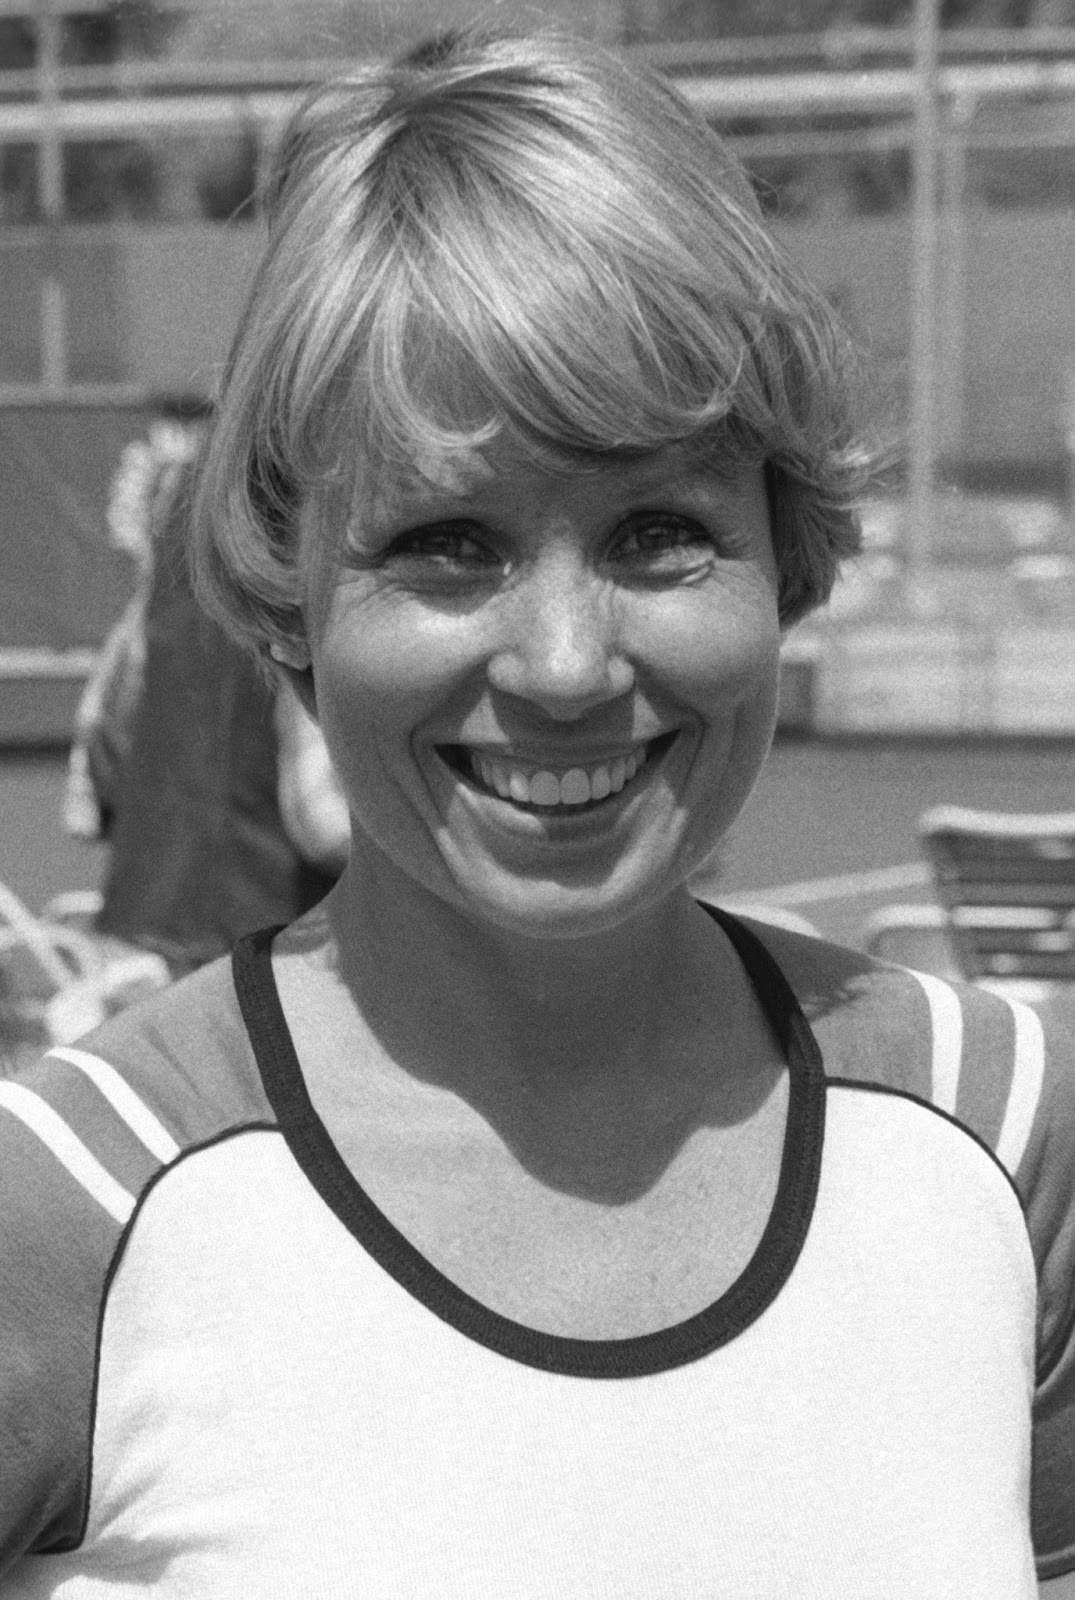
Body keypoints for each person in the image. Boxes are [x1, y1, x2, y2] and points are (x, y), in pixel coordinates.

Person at [1, 30, 1073, 1596]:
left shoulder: (1007, 1141)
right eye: (445, 545)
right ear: (288, 595)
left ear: (786, 557)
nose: (565, 665)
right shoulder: (72, 1201)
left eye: (658, 532)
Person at [64, 402, 348, 977]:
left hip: (145, 912)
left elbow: (107, 738)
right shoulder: (318, 507)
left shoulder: (190, 499)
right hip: (272, 937)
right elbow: (321, 819)